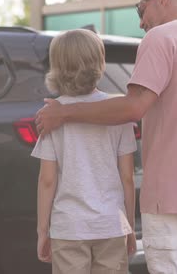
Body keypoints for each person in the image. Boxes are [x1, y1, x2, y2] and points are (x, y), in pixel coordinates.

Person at [35, 0, 177, 274]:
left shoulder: (161, 38)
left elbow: (133, 106)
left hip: (169, 196)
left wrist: (64, 114)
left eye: (140, 10)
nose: (141, 23)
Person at [32, 29, 137, 274]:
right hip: (111, 225)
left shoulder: (52, 115)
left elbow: (47, 180)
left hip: (69, 228)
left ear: (56, 66)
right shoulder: (117, 112)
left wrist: (42, 231)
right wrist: (129, 226)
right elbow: (128, 178)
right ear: (100, 63)